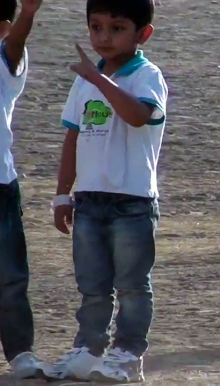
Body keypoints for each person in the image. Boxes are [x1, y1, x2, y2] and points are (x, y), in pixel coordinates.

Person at [45, 0, 167, 382]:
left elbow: (136, 116)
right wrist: (64, 194)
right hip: (90, 199)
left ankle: (127, 354)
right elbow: (73, 136)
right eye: (96, 27)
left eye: (116, 28)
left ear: (142, 33)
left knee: (132, 285)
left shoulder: (147, 75)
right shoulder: (84, 80)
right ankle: (88, 349)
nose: (103, 37)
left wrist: (99, 80)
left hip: (133, 201)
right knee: (92, 285)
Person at [0, 0, 52, 379]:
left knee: (10, 278)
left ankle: (20, 353)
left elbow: (14, 45)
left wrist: (28, 16)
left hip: (1, 186)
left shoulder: (5, 62)